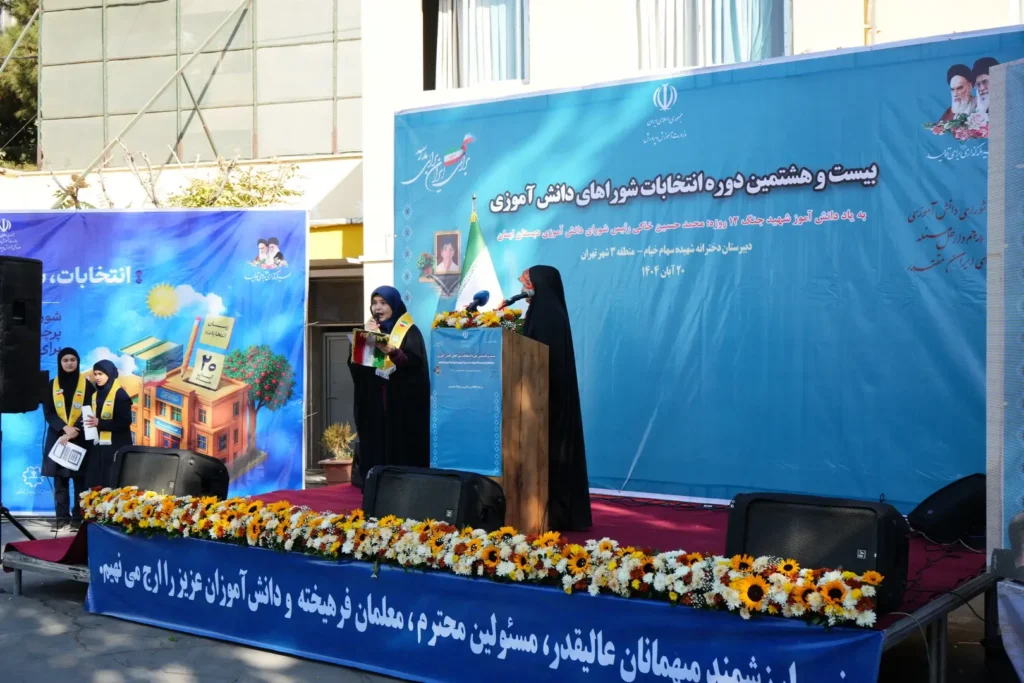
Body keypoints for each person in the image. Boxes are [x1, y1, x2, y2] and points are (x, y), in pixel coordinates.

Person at [519, 265, 592, 531]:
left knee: (554, 455)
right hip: (541, 398)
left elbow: (538, 355)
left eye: (527, 282)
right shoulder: (543, 311)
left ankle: (557, 513)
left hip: (549, 399)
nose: (523, 287)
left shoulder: (548, 315)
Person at [348, 286, 430, 487]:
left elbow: (415, 365)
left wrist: (393, 352)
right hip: (375, 403)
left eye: (383, 303)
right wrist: (361, 343)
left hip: (401, 405)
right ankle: (374, 486)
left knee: (401, 448)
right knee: (375, 443)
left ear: (394, 305)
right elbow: (357, 369)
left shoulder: (409, 331)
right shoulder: (368, 330)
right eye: (374, 303)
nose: (378, 308)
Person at [41, 347, 95, 531]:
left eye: (73, 360)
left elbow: (89, 411)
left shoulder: (87, 385)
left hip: (80, 438)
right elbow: (48, 412)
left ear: (78, 362)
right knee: (60, 481)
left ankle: (78, 519)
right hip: (58, 437)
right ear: (60, 363)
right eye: (66, 360)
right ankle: (62, 518)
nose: (69, 363)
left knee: (80, 481)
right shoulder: (52, 385)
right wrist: (64, 428)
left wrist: (74, 430)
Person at [83, 360, 133, 489]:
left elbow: (125, 422)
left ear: (109, 374)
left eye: (100, 374)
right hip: (99, 448)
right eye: (95, 374)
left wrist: (100, 422)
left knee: (113, 484)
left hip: (116, 447)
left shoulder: (120, 394)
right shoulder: (95, 394)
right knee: (97, 485)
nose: (97, 377)